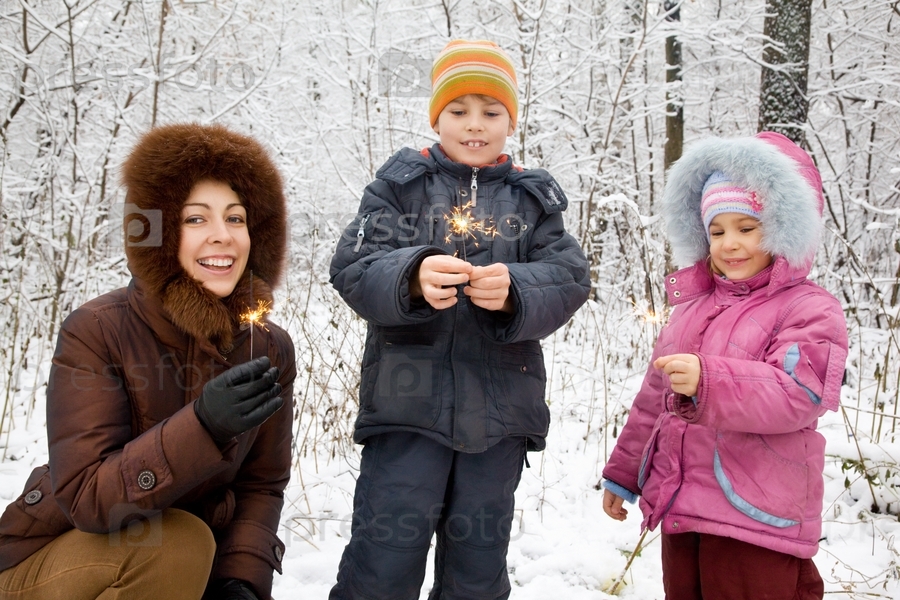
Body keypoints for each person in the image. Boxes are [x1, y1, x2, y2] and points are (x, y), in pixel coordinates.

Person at [328, 40, 591, 599]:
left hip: (498, 418)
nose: (475, 125)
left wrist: (518, 290)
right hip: (406, 410)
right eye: (459, 110)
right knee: (384, 558)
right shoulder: (400, 187)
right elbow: (353, 266)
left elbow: (570, 277)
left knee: (477, 566)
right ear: (436, 116)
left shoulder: (531, 200)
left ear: (510, 120)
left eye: (491, 112)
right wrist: (411, 275)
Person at [0, 123, 296, 600]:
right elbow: (86, 498)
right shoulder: (98, 329)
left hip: (171, 573)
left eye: (236, 219)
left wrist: (239, 579)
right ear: (160, 233)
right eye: (195, 219)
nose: (222, 237)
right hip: (52, 562)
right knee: (177, 544)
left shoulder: (270, 348)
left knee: (187, 553)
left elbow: (262, 485)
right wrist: (202, 427)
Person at [601, 132, 849, 600]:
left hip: (755, 517)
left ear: (781, 228)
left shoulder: (810, 309)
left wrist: (709, 381)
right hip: (682, 505)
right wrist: (625, 472)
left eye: (747, 228)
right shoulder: (692, 309)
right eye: (717, 231)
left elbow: (799, 394)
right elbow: (655, 400)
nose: (730, 244)